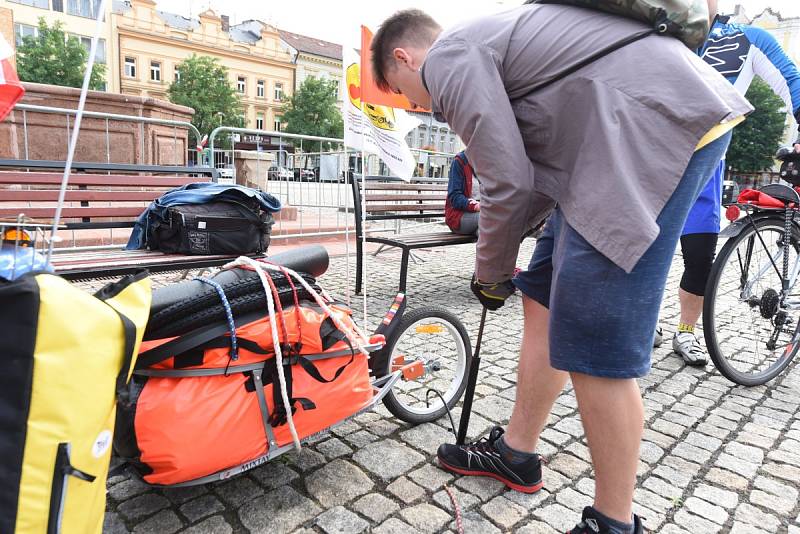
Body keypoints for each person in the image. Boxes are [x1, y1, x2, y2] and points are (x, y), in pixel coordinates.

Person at [370, 6, 751, 534]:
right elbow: (529, 180)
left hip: (650, 128)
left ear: (403, 57)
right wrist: (501, 271)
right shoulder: (485, 44)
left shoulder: (449, 58)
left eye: (406, 92)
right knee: (543, 294)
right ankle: (516, 453)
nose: (419, 106)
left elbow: (505, 181)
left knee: (595, 335)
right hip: (621, 137)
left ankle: (614, 523)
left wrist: (490, 271)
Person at [660, 16, 800, 366]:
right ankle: (641, 322)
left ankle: (686, 331)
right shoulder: (659, 24)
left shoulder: (747, 37)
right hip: (649, 159)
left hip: (703, 167)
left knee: (699, 257)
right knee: (641, 249)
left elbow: (791, 80)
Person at [445, 151, 480, 235]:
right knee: (492, 218)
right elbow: (455, 197)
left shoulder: (488, 163)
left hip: (482, 214)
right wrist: (475, 206)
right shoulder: (460, 161)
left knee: (487, 231)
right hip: (459, 216)